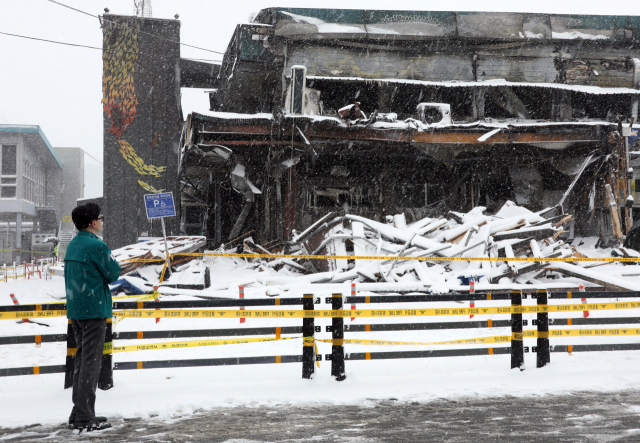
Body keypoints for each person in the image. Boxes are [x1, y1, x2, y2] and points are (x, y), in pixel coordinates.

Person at [65, 203, 122, 432]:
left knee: (81, 361)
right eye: (101, 217)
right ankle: (85, 417)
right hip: (94, 311)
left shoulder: (73, 245)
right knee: (91, 364)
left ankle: (78, 412)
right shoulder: (96, 246)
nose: (101, 220)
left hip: (77, 311)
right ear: (93, 222)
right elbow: (114, 273)